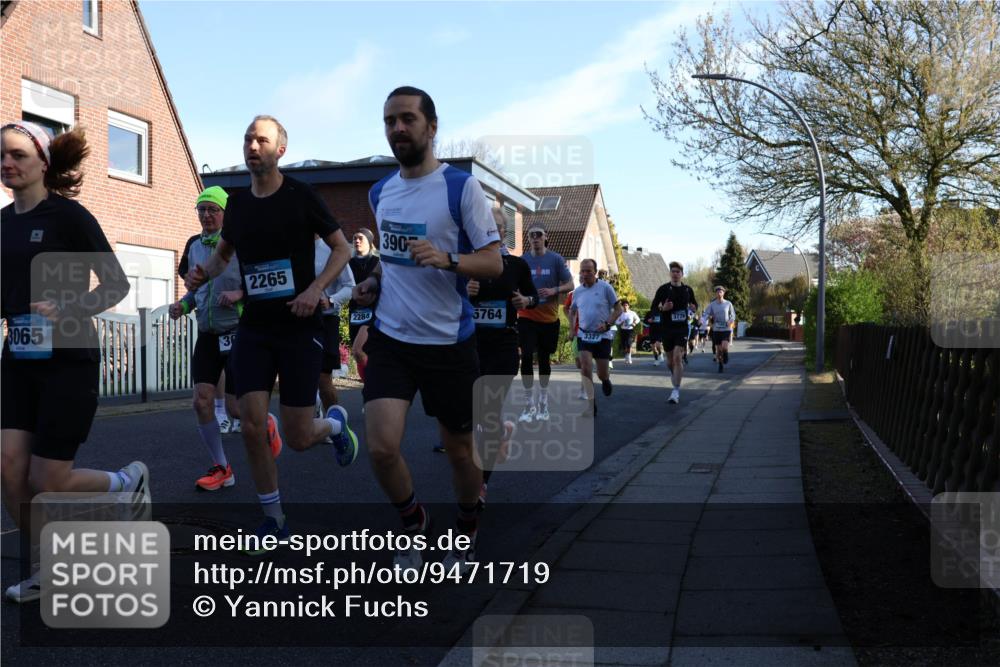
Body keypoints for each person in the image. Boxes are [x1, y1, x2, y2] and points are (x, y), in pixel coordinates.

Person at [185, 115, 357, 545]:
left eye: (261, 139)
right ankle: (274, 519)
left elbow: (342, 248)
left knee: (298, 436)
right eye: (248, 138)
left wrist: (315, 289)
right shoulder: (239, 205)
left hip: (298, 327)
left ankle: (336, 426)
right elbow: (224, 256)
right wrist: (203, 274)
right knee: (250, 424)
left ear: (280, 149)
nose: (252, 146)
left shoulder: (301, 195)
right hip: (255, 329)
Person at [352, 86, 502, 572]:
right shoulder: (380, 192)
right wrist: (373, 281)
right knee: (380, 447)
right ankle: (414, 523)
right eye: (389, 121)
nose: (397, 128)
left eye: (407, 119)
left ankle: (467, 526)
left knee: (459, 452)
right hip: (392, 338)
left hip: (448, 343)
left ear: (431, 127)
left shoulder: (461, 188)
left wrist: (448, 259)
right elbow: (391, 261)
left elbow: (494, 263)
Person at [1, 122, 149, 602]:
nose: (7, 163)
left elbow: (116, 285)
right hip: (19, 356)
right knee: (9, 468)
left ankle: (125, 483)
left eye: (18, 154)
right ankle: (49, 568)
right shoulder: (2, 223)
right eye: (2, 155)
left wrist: (69, 307)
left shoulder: (69, 216)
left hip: (69, 359)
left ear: (43, 163)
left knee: (48, 479)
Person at [169, 186, 281, 492]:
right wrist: (183, 305)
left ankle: (266, 422)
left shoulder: (239, 244)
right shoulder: (194, 246)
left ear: (225, 214)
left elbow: (263, 282)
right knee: (201, 401)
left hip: (238, 332)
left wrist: (239, 294)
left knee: (235, 409)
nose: (206, 215)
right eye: (201, 210)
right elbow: (197, 291)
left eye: (213, 210)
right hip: (207, 334)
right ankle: (222, 468)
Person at [465, 208, 537, 507]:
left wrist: (525, 300)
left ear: (503, 232)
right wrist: (464, 291)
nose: (491, 231)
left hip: (505, 345)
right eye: (487, 226)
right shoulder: (468, 262)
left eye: (497, 227)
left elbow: (533, 296)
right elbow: (447, 300)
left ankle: (482, 483)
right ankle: (502, 430)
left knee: (488, 409)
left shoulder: (517, 265)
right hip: (471, 346)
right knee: (473, 412)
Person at [517, 223, 573, 422]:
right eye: (531, 235)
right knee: (526, 356)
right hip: (526, 316)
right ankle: (528, 404)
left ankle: (543, 401)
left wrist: (554, 291)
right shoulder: (523, 260)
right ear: (528, 238)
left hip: (549, 318)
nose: (535, 238)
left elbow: (571, 284)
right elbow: (514, 284)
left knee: (543, 359)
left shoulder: (556, 259)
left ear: (545, 237)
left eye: (538, 234)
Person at [570, 259, 621, 417]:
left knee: (601, 373)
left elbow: (618, 309)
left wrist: (607, 324)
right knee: (585, 367)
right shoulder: (578, 291)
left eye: (588, 271)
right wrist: (572, 329)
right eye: (582, 271)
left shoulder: (605, 288)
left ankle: (605, 380)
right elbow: (572, 311)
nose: (585, 274)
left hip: (602, 336)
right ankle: (591, 405)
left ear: (595, 272)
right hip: (584, 334)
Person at [315, 235, 356, 413]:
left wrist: (331, 300)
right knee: (299, 374)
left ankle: (335, 421)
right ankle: (311, 415)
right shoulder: (290, 248)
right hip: (298, 319)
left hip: (325, 319)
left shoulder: (332, 249)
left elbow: (350, 286)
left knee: (323, 379)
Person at [651, 261, 698, 404]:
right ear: (670, 273)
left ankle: (675, 391)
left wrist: (694, 308)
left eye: (678, 272)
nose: (675, 274)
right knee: (670, 361)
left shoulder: (687, 290)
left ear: (682, 274)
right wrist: (663, 309)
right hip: (667, 328)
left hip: (681, 328)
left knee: (677, 357)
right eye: (673, 271)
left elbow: (694, 304)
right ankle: (675, 374)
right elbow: (653, 307)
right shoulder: (663, 289)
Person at [347, 227, 380, 383]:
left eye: (361, 238)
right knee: (359, 353)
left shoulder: (377, 262)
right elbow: (344, 285)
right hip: (355, 311)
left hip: (374, 311)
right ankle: (370, 385)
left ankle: (373, 383)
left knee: (358, 350)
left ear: (369, 241)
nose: (357, 241)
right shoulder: (348, 263)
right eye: (355, 238)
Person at [703, 286, 737, 373]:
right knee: (718, 350)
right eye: (717, 292)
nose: (719, 293)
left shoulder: (728, 303)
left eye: (720, 292)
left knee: (724, 347)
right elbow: (706, 313)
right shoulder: (712, 304)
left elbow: (733, 315)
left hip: (726, 328)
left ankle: (726, 354)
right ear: (716, 293)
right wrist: (703, 319)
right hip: (716, 329)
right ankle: (720, 365)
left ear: (723, 293)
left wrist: (730, 321)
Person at [615, 300, 641, 365]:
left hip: (630, 330)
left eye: (626, 305)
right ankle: (626, 357)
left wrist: (634, 323)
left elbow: (638, 319)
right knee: (624, 346)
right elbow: (616, 321)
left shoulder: (632, 313)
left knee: (629, 344)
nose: (625, 307)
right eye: (624, 305)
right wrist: (620, 322)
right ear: (622, 306)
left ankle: (629, 358)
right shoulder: (621, 314)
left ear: (628, 306)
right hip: (623, 330)